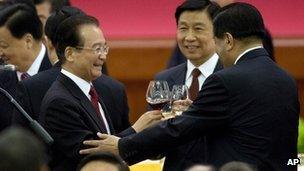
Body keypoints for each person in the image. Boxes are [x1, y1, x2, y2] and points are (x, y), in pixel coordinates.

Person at [79, 2, 299, 171]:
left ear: (228, 40)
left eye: (216, 40)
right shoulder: (287, 80)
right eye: (183, 28)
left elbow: (181, 127)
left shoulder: (225, 80)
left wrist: (123, 146)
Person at [39, 15, 161, 171]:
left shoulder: (94, 91)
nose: (103, 56)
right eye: (97, 49)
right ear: (70, 54)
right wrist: (137, 129)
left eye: (105, 48)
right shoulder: (59, 102)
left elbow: (116, 146)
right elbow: (95, 156)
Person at [155, 0, 222, 170]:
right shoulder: (164, 79)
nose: (189, 37)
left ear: (218, 32)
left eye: (198, 29)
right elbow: (154, 139)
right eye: (183, 28)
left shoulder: (232, 75)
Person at [0, 3, 51, 131]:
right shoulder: (2, 79)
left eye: (4, 46)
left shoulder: (59, 74)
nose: (0, 53)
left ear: (28, 40)